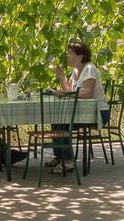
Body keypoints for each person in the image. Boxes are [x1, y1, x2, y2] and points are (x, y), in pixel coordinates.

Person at [47, 41, 110, 174]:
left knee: (62, 122)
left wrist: (65, 94)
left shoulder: (89, 69)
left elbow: (88, 93)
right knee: (57, 119)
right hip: (82, 113)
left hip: (97, 113)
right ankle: (60, 157)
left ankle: (68, 162)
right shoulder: (76, 71)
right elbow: (68, 89)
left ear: (80, 56)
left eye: (70, 53)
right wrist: (61, 76)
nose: (67, 55)